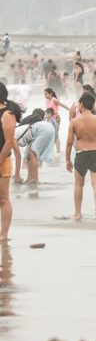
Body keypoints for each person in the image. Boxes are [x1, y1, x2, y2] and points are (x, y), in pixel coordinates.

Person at [0, 84, 15, 240]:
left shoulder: (7, 114)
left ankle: (3, 235)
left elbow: (9, 142)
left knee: (3, 199)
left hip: (3, 161)